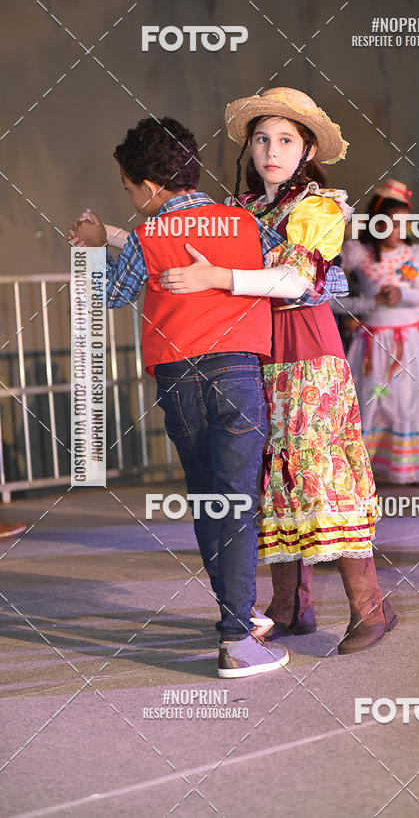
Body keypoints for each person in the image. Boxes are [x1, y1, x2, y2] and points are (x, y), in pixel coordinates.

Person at [160, 88, 397, 654]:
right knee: (270, 480)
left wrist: (218, 278)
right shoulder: (241, 211)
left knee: (319, 479)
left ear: (306, 147)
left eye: (286, 140)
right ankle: (289, 607)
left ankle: (371, 609)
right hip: (257, 356)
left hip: (309, 357)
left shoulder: (318, 207)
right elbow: (175, 244)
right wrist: (111, 241)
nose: (271, 149)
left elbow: (294, 282)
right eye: (262, 138)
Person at [66, 116, 291, 676]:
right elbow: (310, 277)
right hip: (237, 373)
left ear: (145, 187)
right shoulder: (243, 222)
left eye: (127, 189)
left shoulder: (148, 235)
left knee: (209, 499)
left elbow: (114, 294)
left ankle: (239, 620)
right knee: (238, 501)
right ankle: (238, 633)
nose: (131, 199)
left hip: (176, 380)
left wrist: (96, 248)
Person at [340, 179, 419, 488]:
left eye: (405, 224)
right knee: (374, 399)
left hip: (413, 340)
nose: (399, 231)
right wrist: (369, 302)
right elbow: (331, 299)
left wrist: (400, 293)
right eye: (392, 224)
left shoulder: (417, 253)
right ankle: (373, 465)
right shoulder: (356, 252)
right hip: (375, 343)